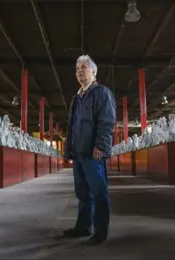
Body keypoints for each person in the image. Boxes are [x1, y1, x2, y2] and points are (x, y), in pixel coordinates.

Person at [63, 54, 116, 245]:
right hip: (78, 153)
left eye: (83, 68)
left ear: (93, 71)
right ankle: (83, 227)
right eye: (77, 69)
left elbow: (107, 121)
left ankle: (101, 232)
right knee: (83, 193)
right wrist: (68, 150)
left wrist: (101, 146)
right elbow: (72, 126)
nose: (79, 72)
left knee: (99, 192)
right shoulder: (77, 98)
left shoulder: (101, 93)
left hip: (93, 154)